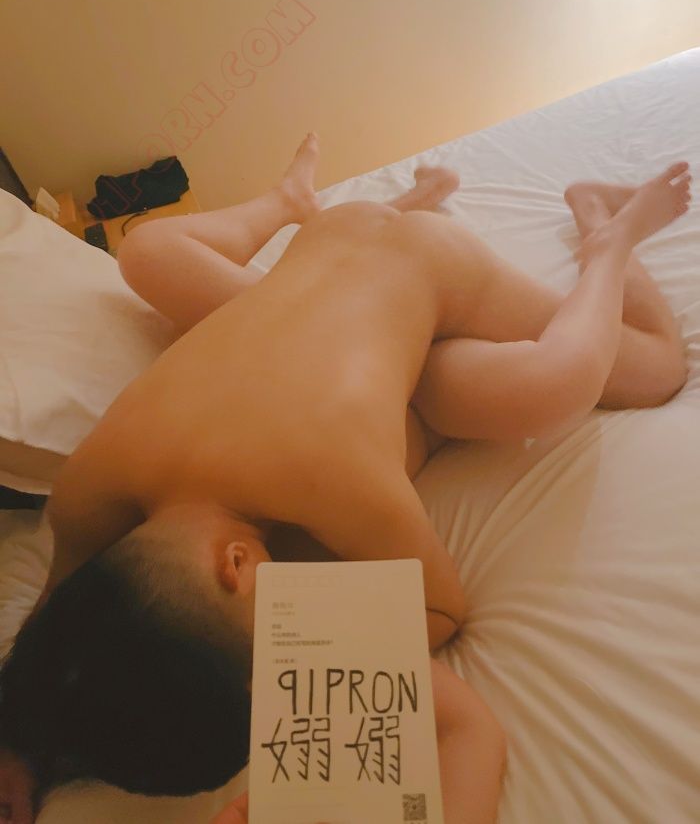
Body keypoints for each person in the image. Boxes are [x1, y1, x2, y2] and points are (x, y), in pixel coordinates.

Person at [0, 133, 690, 824]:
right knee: (147, 251)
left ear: (237, 565)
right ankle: (295, 204)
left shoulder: (328, 478)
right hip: (324, 261)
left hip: (424, 265)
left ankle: (609, 239)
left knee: (616, 376)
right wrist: (19, 754)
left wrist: (302, 666)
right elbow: (58, 626)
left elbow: (442, 608)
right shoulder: (85, 493)